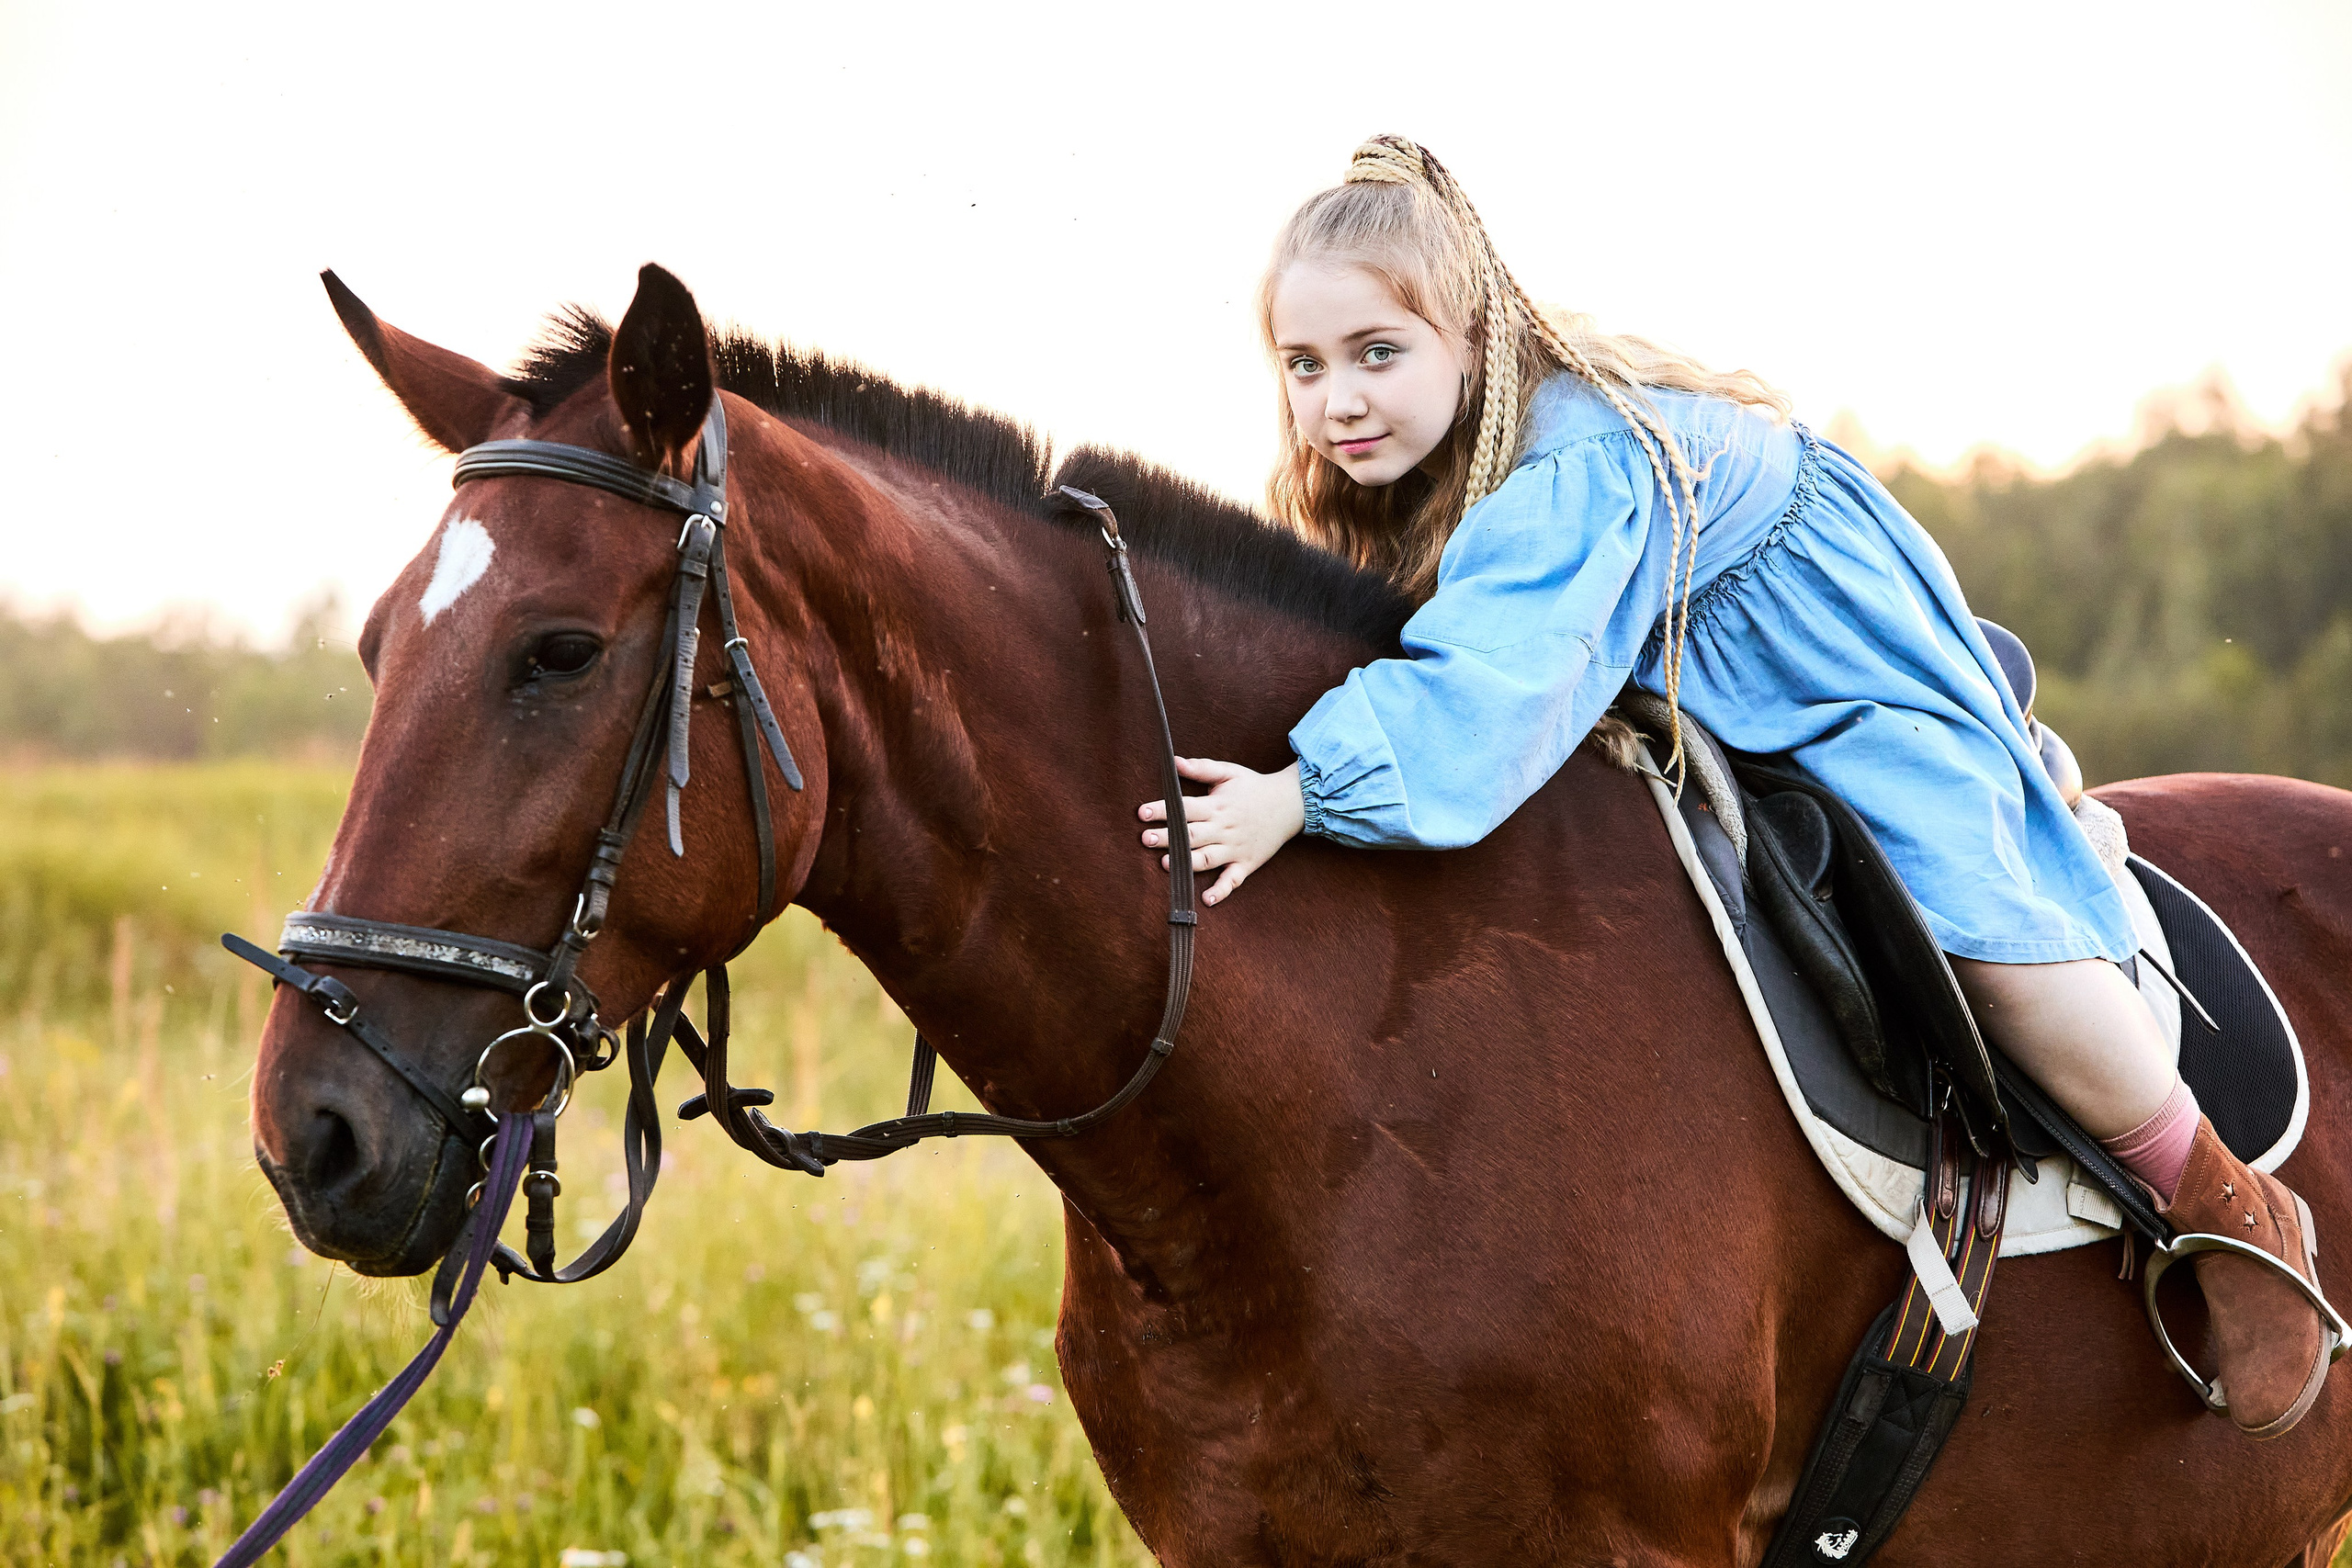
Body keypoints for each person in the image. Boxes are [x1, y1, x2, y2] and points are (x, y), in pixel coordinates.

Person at [1136, 135, 2333, 1438]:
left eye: (1379, 353)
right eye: (1303, 367)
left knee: (1973, 924)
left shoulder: (1573, 470)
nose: (1337, 400)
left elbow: (1486, 688)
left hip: (1825, 672)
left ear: (1472, 342)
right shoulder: (1442, 476)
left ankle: (2217, 1200)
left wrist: (1301, 795)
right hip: (1700, 659)